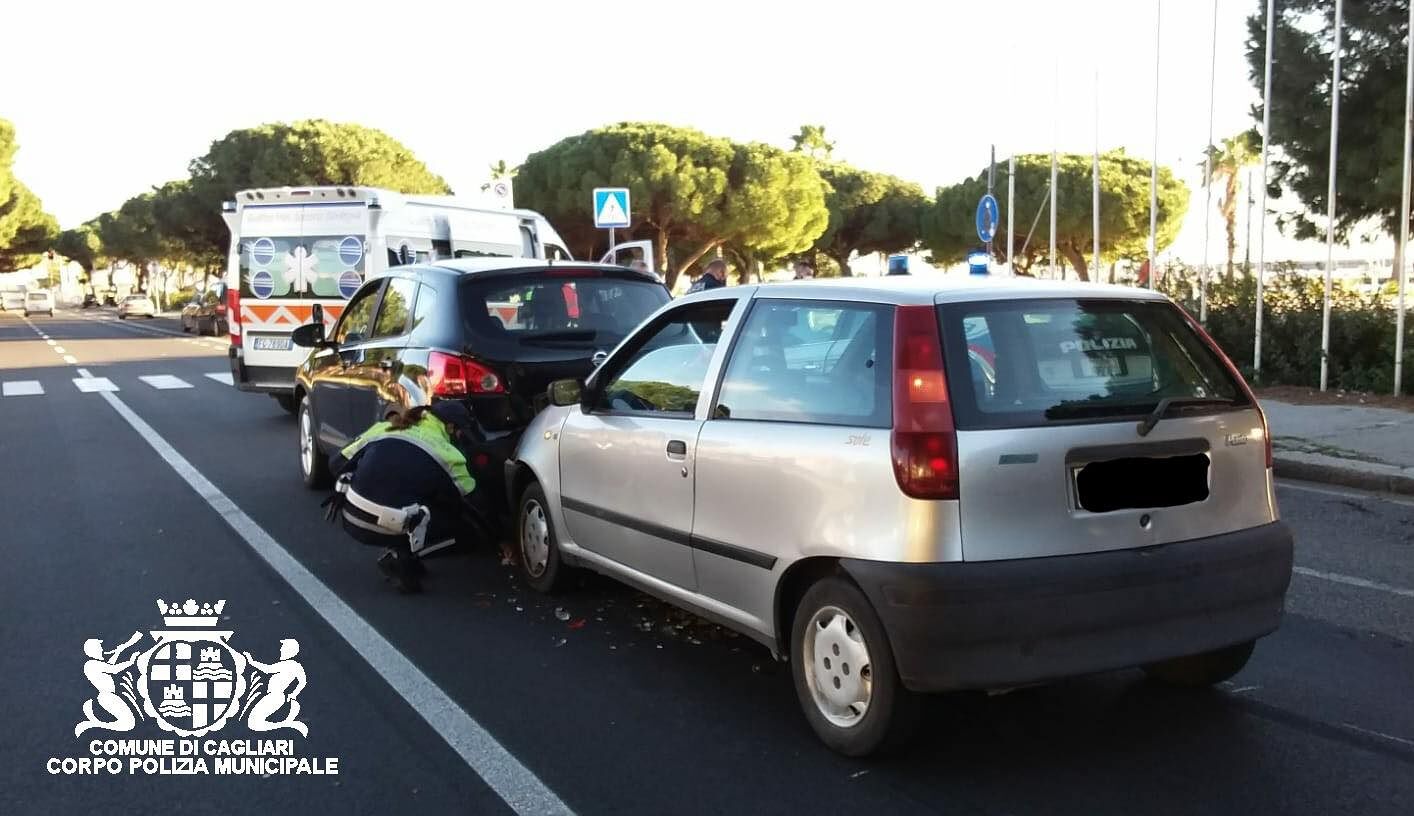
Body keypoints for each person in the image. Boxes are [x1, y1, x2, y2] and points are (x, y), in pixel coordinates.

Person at [322, 401, 495, 593]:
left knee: (405, 497)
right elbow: (475, 504)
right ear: (451, 428)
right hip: (391, 525)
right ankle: (404, 556)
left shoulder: (384, 428)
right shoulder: (449, 455)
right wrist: (501, 539)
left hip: (351, 517)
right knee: (468, 533)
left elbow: (336, 463)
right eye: (461, 432)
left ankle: (402, 553)